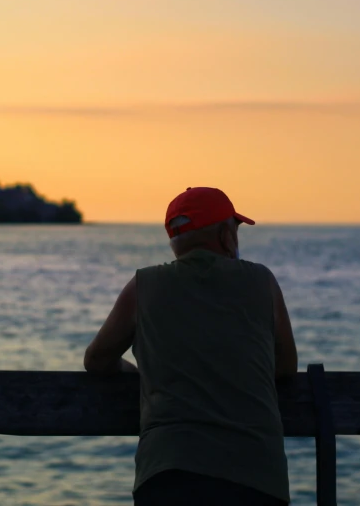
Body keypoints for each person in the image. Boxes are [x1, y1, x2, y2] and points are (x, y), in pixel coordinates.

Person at [84, 186, 298, 506]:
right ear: (226, 236)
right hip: (256, 475)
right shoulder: (261, 281)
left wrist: (136, 373)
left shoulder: (145, 286)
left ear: (175, 243)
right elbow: (284, 367)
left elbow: (97, 359)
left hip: (169, 473)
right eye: (236, 230)